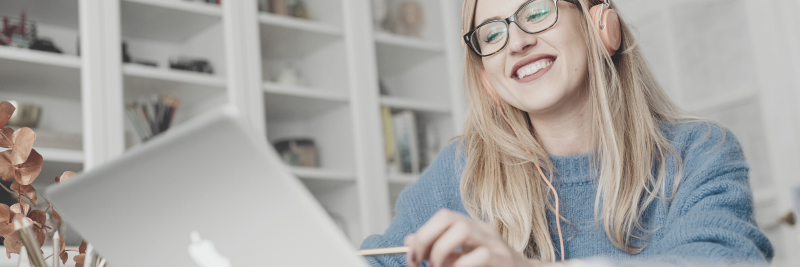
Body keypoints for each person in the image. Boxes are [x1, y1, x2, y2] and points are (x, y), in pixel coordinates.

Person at [360, 0, 774, 266]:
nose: (516, 42)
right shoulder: (459, 173)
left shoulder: (699, 153)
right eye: (492, 34)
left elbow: (724, 259)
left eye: (537, 12)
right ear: (488, 78)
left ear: (600, 25)